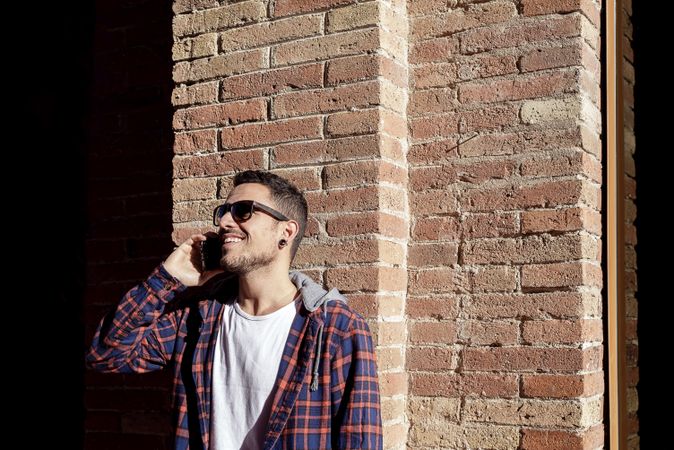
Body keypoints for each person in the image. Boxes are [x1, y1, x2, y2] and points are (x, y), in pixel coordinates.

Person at [85, 170, 383, 449]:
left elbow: (361, 440)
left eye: (243, 211)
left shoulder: (335, 328)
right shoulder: (198, 319)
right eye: (223, 212)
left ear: (286, 231)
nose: (225, 222)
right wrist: (168, 278)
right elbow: (107, 355)